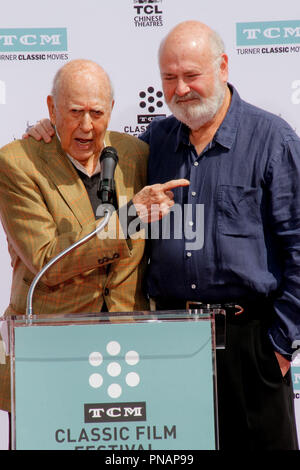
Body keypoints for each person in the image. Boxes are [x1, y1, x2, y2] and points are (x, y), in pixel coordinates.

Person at [23, 22, 300, 450]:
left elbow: (298, 247)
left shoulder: (272, 139)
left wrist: (280, 347)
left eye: (192, 75)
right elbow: (90, 150)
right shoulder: (153, 144)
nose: (181, 89)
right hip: (170, 343)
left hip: (251, 347)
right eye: (169, 78)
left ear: (223, 67)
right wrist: (47, 129)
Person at [0, 59, 188, 415]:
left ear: (112, 110)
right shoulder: (17, 163)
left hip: (126, 355)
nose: (87, 126)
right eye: (74, 112)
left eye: (97, 113)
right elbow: (46, 261)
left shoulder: (135, 153)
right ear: (51, 108)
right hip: (50, 353)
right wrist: (130, 217)